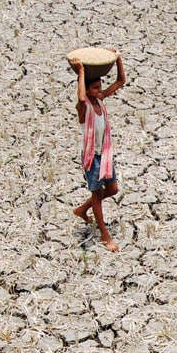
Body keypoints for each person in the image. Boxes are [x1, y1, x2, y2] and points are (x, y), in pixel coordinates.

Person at [70, 48, 126, 252]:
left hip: (105, 155)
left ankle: (82, 209)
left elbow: (121, 81)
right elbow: (81, 96)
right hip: (92, 158)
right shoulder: (84, 109)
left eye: (100, 86)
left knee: (112, 190)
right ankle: (104, 235)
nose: (99, 90)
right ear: (87, 89)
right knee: (97, 195)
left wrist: (117, 58)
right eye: (95, 88)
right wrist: (81, 71)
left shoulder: (100, 101)